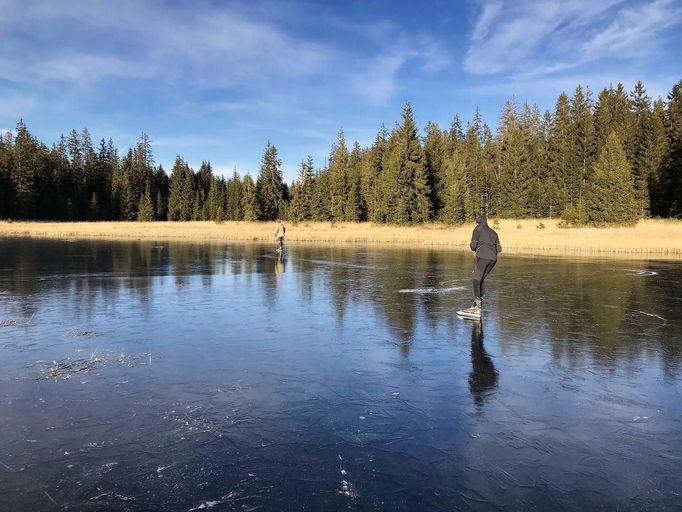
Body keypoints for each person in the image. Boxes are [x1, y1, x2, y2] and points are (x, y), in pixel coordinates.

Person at [459, 215, 501, 317]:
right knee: (481, 279)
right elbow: (499, 249)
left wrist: (477, 247)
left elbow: (473, 246)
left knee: (476, 280)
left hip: (482, 257)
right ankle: (480, 304)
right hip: (493, 259)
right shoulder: (494, 232)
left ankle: (476, 307)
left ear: (478, 221)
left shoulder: (477, 229)